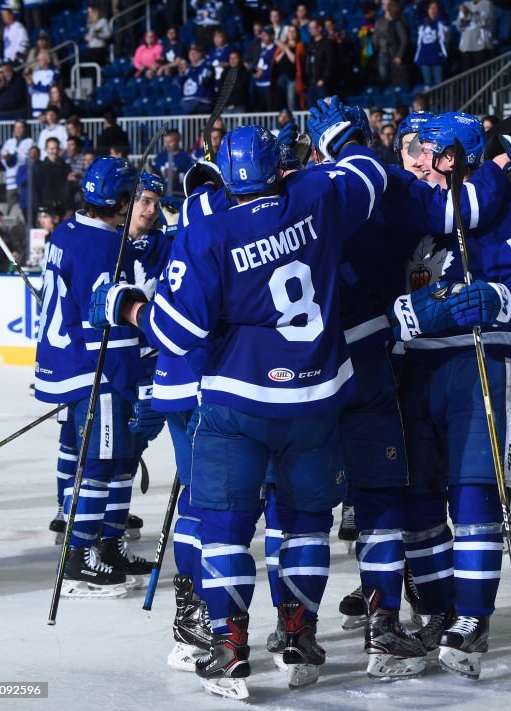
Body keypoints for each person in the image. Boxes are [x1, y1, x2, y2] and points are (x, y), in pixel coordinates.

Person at [89, 109, 389, 698]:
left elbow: (174, 335)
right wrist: (341, 139)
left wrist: (125, 307)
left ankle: (228, 648)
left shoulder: (212, 227)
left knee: (226, 526)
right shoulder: (316, 191)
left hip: (237, 402)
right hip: (314, 396)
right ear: (281, 166)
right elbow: (371, 174)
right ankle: (299, 636)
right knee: (305, 524)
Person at [392, 112, 511, 680]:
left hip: (480, 363)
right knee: (416, 498)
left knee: (476, 495)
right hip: (413, 367)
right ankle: (435, 610)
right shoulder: (408, 205)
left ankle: (471, 618)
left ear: (456, 158)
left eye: (429, 151)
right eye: (414, 149)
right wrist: (404, 316)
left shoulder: (502, 209)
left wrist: (499, 301)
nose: (417, 159)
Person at [33, 156, 156, 599]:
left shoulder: (66, 229)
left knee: (115, 457)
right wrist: (136, 381)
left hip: (64, 362)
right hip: (94, 369)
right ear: (121, 200)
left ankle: (109, 542)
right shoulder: (108, 247)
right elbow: (107, 322)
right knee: (101, 463)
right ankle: (78, 559)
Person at [375, 1, 410, 86]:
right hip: (387, 53)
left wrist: (399, 56)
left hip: (396, 55)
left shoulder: (398, 22)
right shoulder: (382, 20)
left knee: (399, 81)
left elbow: (404, 39)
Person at [414, 0, 448, 87]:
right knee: (427, 84)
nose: (433, 10)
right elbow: (418, 12)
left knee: (438, 83)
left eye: (435, 8)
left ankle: (439, 100)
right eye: (431, 8)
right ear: (427, 10)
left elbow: (445, 34)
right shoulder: (422, 23)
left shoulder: (441, 22)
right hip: (424, 57)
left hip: (437, 57)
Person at [0, 118, 32, 206]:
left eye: (20, 127)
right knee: (11, 206)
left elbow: (30, 158)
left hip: (23, 180)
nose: (18, 130)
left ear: (25, 129)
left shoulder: (30, 142)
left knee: (24, 207)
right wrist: (8, 158)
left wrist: (17, 157)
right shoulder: (9, 142)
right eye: (16, 127)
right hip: (10, 181)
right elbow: (2, 158)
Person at [152, 130, 195, 196]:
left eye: (170, 142)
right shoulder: (160, 157)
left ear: (178, 141)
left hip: (180, 195)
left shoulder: (186, 157)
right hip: (162, 196)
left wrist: (177, 176)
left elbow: (193, 176)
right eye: (166, 142)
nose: (167, 144)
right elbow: (154, 173)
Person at [455, 0, 494, 70]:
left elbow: (484, 22)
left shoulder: (487, 4)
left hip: (481, 47)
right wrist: (463, 18)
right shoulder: (466, 5)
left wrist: (469, 13)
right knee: (469, 76)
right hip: (466, 47)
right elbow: (459, 27)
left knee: (481, 76)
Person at [180, 43, 216, 114]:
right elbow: (179, 84)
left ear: (201, 54)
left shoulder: (206, 66)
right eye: (190, 52)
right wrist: (181, 73)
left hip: (201, 101)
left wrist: (187, 71)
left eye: (195, 52)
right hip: (186, 101)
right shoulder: (188, 66)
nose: (192, 54)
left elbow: (203, 80)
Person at [25, 49, 57, 116]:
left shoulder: (54, 72)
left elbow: (47, 88)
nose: (38, 62)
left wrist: (33, 85)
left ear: (47, 60)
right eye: (38, 59)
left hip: (47, 106)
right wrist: (29, 85)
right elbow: (30, 91)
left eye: (40, 59)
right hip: (35, 106)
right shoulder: (36, 73)